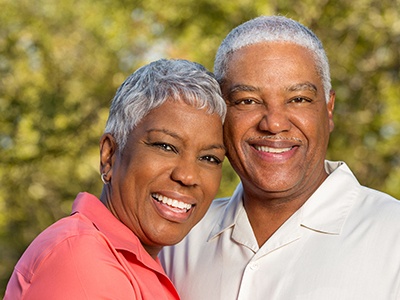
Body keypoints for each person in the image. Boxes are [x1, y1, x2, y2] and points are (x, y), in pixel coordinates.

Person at [160, 16, 400, 299]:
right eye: (247, 100)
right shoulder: (178, 237)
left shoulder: (392, 235)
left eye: (298, 99)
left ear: (329, 109)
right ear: (220, 114)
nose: (273, 124)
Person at [4, 58, 227, 299]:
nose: (187, 175)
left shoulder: (140, 263)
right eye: (165, 146)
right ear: (109, 155)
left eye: (209, 158)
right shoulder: (82, 256)